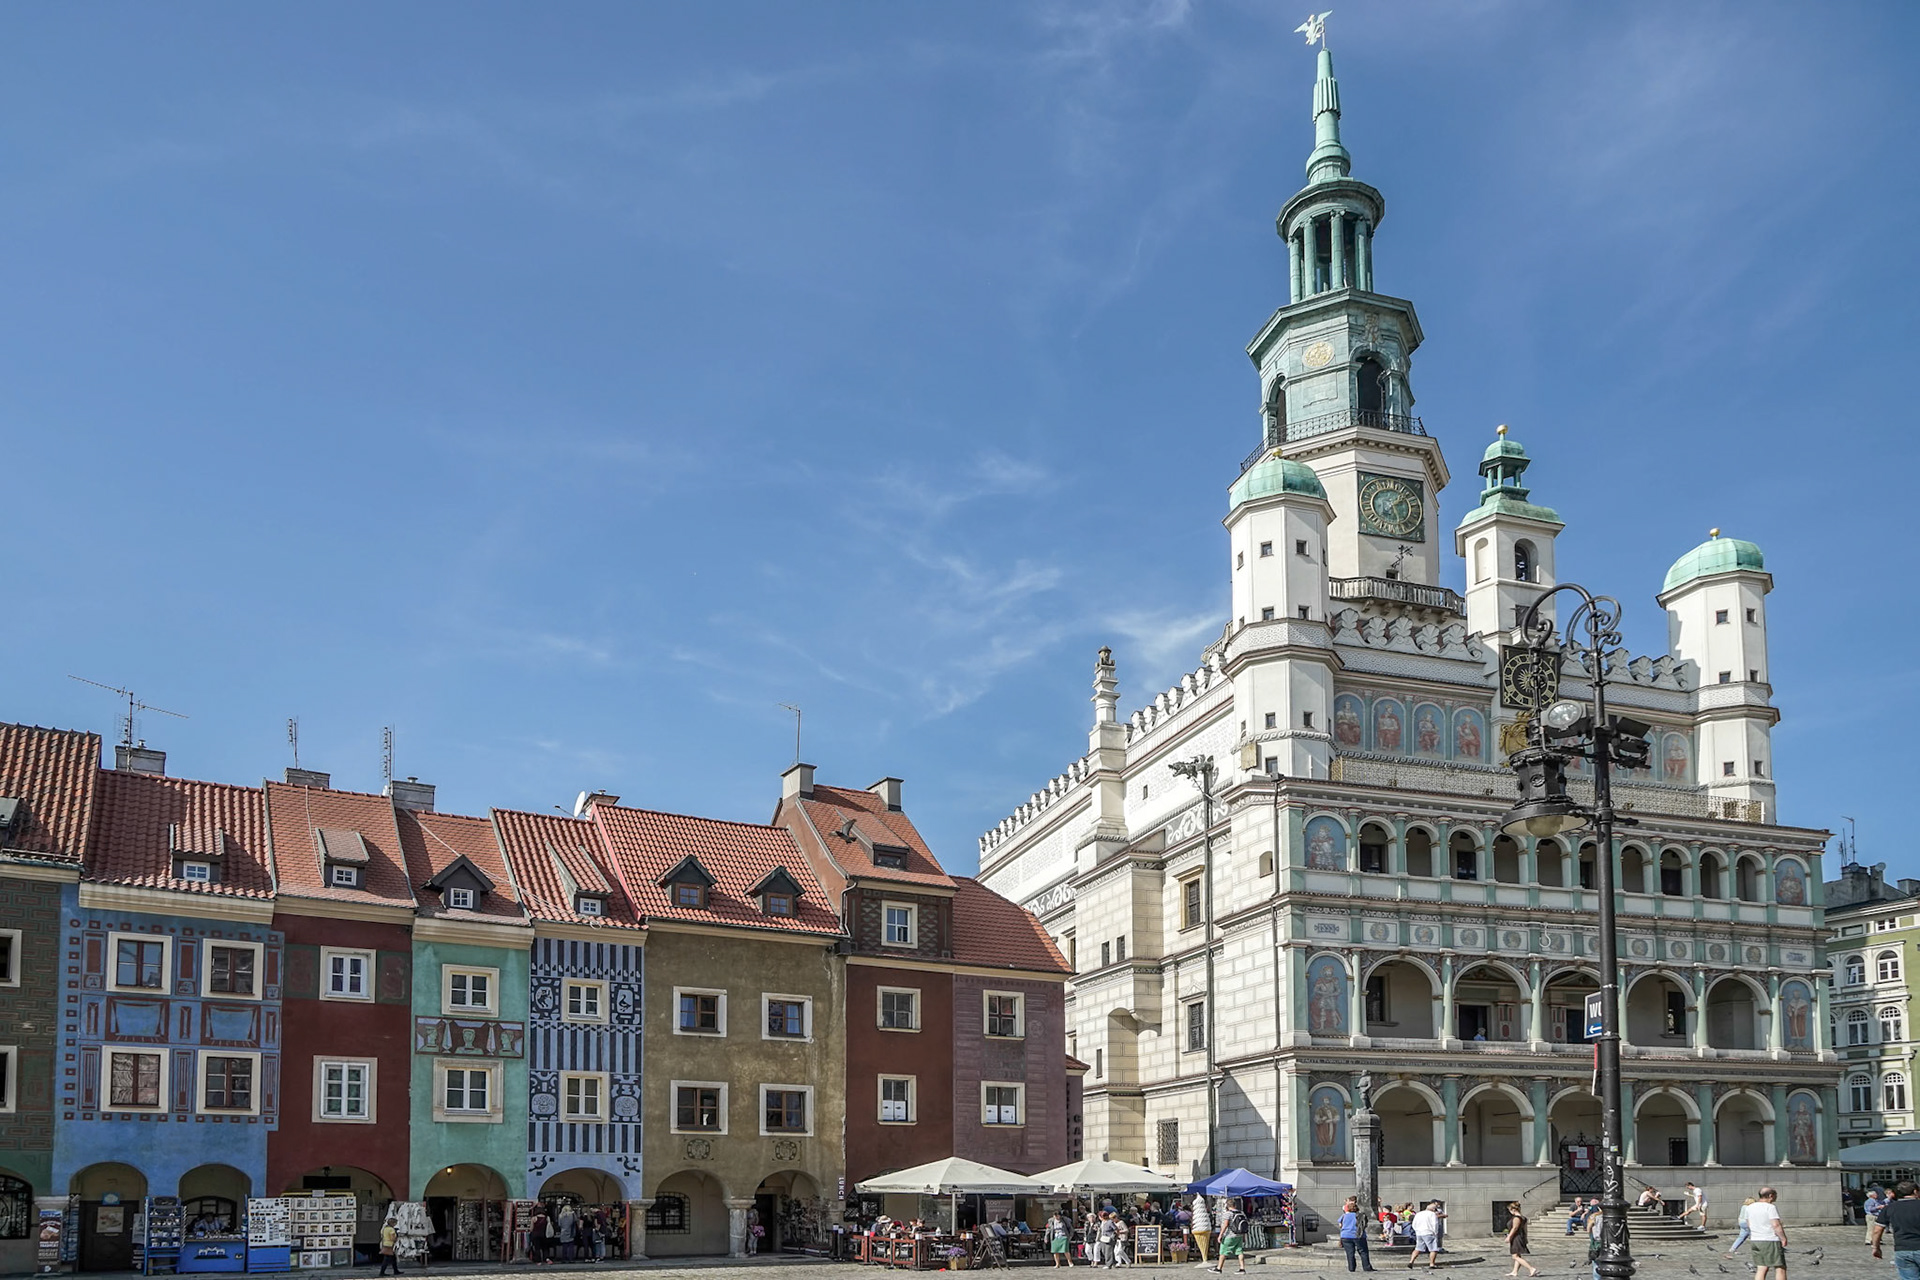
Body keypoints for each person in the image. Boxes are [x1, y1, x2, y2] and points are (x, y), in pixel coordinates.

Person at [1870, 1179, 1920, 1279]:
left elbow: (1877, 1230)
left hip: (1903, 1249)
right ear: (1915, 1191)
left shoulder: (1889, 1208)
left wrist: (1876, 1247)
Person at [1745, 1186, 1787, 1280]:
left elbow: (1748, 1224)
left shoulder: (1750, 1207)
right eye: (1776, 1195)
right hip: (1769, 1240)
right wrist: (1783, 1238)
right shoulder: (1770, 1207)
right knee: (1780, 1268)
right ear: (1771, 1196)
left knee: (1762, 1268)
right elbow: (1776, 1225)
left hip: (1755, 1240)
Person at [1208, 1200, 1247, 1276]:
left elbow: (1225, 1225)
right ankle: (1242, 1268)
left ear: (1227, 1206)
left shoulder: (1228, 1214)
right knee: (1239, 1251)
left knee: (1223, 1252)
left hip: (1229, 1235)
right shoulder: (1242, 1213)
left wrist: (1220, 1235)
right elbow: (1244, 1226)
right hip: (1239, 1235)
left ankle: (1219, 1268)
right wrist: (1244, 1236)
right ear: (1235, 1205)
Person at [1337, 1198, 1375, 1274]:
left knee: (1350, 1253)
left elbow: (1340, 1225)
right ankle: (1366, 1267)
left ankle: (1351, 1268)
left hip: (1346, 1236)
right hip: (1358, 1235)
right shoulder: (1361, 1216)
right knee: (1363, 1251)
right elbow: (1365, 1225)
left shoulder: (1344, 1216)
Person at [1503, 1203, 1537, 1279]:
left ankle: (1531, 1268)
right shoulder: (1523, 1218)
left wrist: (1509, 1237)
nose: (1509, 1212)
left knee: (1515, 1256)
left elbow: (1514, 1228)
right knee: (1517, 1255)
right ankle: (1515, 1271)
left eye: (1510, 1210)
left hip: (1516, 1238)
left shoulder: (1517, 1218)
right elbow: (1525, 1229)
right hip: (1520, 1237)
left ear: (1513, 1210)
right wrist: (1525, 1237)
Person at [1408, 1203, 1442, 1270]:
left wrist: (1417, 1231)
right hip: (1429, 1232)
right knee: (1433, 1249)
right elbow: (1435, 1224)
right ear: (1433, 1209)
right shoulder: (1432, 1214)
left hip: (1419, 1233)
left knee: (1418, 1248)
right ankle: (1432, 1264)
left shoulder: (1418, 1214)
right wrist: (1435, 1233)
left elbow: (1414, 1224)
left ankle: (1411, 1261)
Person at [1190, 1196, 1212, 1265]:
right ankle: (1204, 1258)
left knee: (1202, 1245)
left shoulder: (1195, 1211)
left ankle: (1204, 1258)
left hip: (1199, 1226)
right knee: (1204, 1245)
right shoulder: (1203, 1209)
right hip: (1205, 1226)